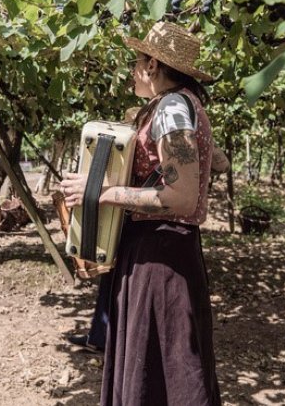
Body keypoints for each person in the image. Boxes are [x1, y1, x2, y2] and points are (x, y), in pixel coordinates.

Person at [61, 22, 221, 405]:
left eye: (137, 62)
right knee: (166, 365)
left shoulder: (171, 108)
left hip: (159, 255)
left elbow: (180, 197)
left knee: (164, 367)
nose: (133, 70)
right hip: (166, 252)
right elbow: (215, 163)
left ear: (152, 65)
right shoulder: (183, 105)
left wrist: (102, 192)